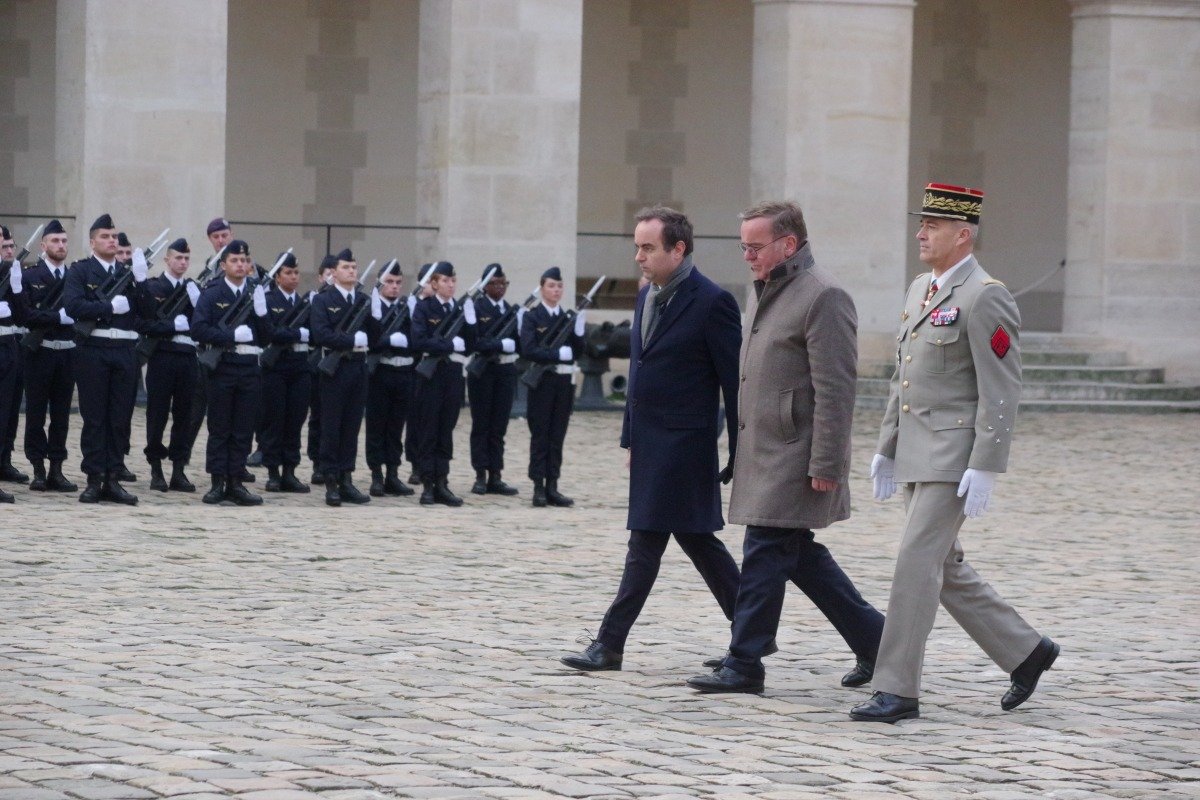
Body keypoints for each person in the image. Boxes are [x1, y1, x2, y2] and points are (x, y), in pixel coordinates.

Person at [850, 183, 1059, 723]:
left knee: (915, 563)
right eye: (922, 224)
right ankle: (1027, 650)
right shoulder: (922, 286)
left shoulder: (986, 294)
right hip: (917, 451)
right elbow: (905, 376)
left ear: (962, 234)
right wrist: (887, 447)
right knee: (944, 565)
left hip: (954, 455)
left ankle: (897, 688)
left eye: (933, 226)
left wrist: (987, 463)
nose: (920, 233)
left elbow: (1001, 386)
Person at [687, 200, 884, 695]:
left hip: (796, 454)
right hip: (765, 449)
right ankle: (881, 644)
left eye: (755, 247)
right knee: (796, 556)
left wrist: (827, 462)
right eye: (744, 248)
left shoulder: (824, 296)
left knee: (765, 550)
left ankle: (744, 660)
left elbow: (836, 389)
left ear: (789, 244)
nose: (747, 257)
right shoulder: (767, 290)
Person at [559, 206, 742, 672]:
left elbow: (733, 385)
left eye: (647, 247)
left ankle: (609, 643)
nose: (638, 256)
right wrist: (631, 440)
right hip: (651, 444)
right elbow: (639, 376)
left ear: (677, 249)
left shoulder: (712, 302)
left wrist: (739, 451)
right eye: (636, 246)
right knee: (699, 543)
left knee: (645, 544)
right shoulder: (647, 297)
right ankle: (752, 632)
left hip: (686, 447)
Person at [63, 214, 149, 505]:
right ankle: (94, 478)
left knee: (119, 418)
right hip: (94, 350)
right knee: (95, 417)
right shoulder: (81, 271)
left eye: (114, 236)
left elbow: (147, 311)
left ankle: (113, 478)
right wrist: (107, 306)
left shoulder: (127, 273)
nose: (112, 241)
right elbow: (73, 305)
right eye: (105, 236)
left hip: (124, 351)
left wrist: (141, 281)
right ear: (92, 241)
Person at [189, 239, 272, 506]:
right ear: (223, 265)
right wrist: (229, 335)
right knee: (220, 426)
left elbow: (267, 337)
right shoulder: (212, 293)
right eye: (235, 260)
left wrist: (261, 313)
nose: (240, 265)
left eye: (244, 260)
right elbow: (198, 330)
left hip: (249, 367)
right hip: (222, 366)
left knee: (243, 427)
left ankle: (236, 481)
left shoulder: (255, 293)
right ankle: (217, 482)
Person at [136, 237, 202, 492]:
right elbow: (142, 323)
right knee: (158, 413)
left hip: (187, 357)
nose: (183, 262)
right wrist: (170, 326)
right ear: (167, 260)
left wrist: (200, 306)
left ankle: (178, 469)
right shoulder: (154, 287)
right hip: (162, 356)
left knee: (184, 415)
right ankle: (155, 468)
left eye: (186, 258)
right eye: (178, 258)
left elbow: (203, 326)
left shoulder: (193, 289)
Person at [18, 220, 77, 493]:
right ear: (43, 246)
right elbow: (26, 315)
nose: (61, 246)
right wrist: (56, 317)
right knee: (36, 413)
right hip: (39, 353)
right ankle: (38, 469)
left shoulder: (74, 277)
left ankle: (57, 469)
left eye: (64, 241)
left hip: (66, 353)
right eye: (55, 241)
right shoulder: (31, 276)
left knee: (62, 416)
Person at [309, 248, 372, 506]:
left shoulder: (363, 300)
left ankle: (347, 479)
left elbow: (375, 336)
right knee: (331, 426)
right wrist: (349, 340)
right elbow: (320, 334)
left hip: (358, 368)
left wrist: (376, 314)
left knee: (351, 426)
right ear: (333, 273)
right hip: (334, 369)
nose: (352, 271)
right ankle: (331, 480)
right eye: (346, 267)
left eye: (355, 267)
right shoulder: (324, 300)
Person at [519, 267, 584, 507]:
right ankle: (538, 486)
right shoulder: (532, 317)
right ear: (542, 288)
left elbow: (577, 351)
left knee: (557, 434)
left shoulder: (567, 318)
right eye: (551, 286)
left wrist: (578, 333)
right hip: (542, 382)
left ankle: (552, 485)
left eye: (559, 286)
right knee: (540, 434)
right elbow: (528, 349)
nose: (556, 290)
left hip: (563, 384)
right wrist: (556, 353)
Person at [410, 261, 472, 506]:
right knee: (429, 429)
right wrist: (448, 345)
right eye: (445, 281)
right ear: (434, 284)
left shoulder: (458, 310)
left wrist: (472, 321)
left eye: (453, 280)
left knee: (446, 429)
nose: (450, 285)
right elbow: (419, 340)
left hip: (453, 373)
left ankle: (442, 482)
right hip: (431, 375)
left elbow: (470, 343)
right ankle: (427, 483)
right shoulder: (424, 308)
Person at [259, 252, 312, 494]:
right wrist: (298, 334)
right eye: (288, 273)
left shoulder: (303, 303)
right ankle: (273, 472)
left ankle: (290, 471)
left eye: (295, 273)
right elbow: (270, 332)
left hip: (299, 367)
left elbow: (315, 332)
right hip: (276, 368)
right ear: (277, 277)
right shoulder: (269, 300)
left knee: (295, 420)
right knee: (275, 418)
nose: (293, 277)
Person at [466, 263, 520, 496]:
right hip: (483, 372)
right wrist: (499, 344)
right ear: (484, 286)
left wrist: (510, 345)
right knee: (482, 425)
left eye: (503, 283)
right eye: (494, 283)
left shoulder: (510, 310)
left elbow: (520, 341)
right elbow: (474, 341)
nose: (500, 287)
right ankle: (480, 474)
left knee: (499, 425)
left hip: (505, 372)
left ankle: (495, 474)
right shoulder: (477, 308)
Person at [364, 261, 416, 498]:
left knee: (396, 426)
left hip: (403, 372)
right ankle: (376, 475)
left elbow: (417, 339)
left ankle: (393, 474)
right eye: (389, 282)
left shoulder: (405, 308)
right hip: (381, 372)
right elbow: (371, 340)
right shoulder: (373, 307)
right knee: (377, 425)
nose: (394, 287)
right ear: (380, 283)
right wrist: (387, 341)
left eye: (398, 283)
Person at [0, 224, 28, 485]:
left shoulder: (13, 271)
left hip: (10, 344)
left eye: (9, 245)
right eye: (2, 243)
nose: (7, 249)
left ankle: (4, 461)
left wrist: (18, 289)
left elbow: (23, 314)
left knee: (8, 409)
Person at [307, 254, 337, 484]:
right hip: (319, 361)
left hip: (337, 363)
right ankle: (317, 462)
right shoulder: (315, 300)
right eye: (327, 275)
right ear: (320, 277)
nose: (330, 279)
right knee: (317, 416)